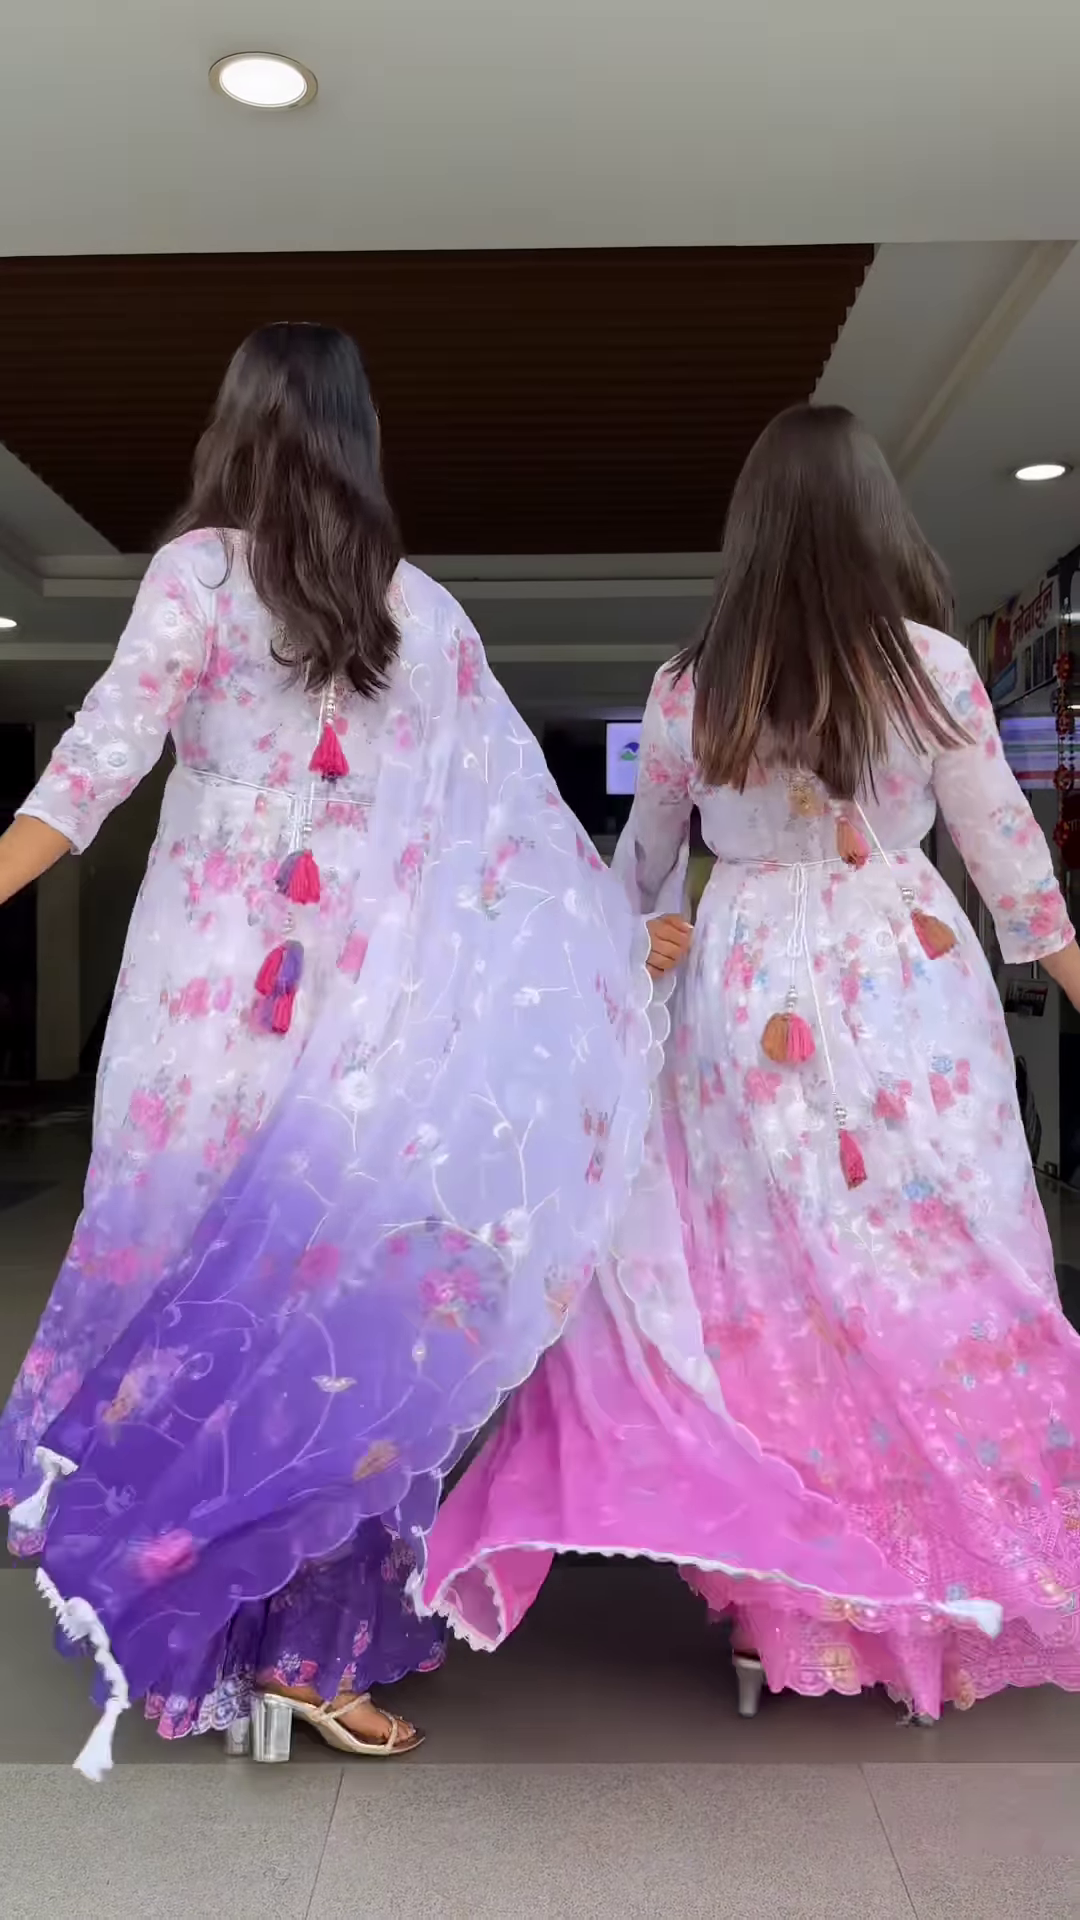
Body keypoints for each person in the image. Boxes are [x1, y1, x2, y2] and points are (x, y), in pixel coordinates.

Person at [0, 323, 697, 1774]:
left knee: (192, 1292)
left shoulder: (198, 577)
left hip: (204, 1020)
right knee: (339, 1321)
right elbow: (512, 827)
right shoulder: (421, 613)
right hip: (370, 1027)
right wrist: (613, 937)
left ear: (236, 428)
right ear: (359, 438)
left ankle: (189, 1607)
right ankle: (302, 1646)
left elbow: (92, 765)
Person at [423, 403, 1080, 1722]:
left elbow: (644, 865)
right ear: (877, 518)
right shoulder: (932, 667)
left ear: (753, 531)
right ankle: (940, 1600)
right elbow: (1012, 859)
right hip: (906, 986)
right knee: (940, 1262)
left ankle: (782, 1613)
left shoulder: (693, 684)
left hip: (746, 992)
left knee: (763, 1286)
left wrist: (607, 980)